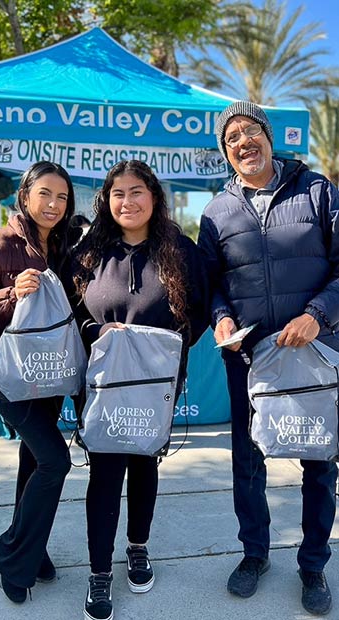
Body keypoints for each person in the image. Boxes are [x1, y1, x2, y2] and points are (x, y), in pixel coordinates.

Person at [198, 100, 339, 616]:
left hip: (316, 350)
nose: (242, 141)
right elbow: (209, 283)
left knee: (319, 460)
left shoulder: (317, 190)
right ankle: (254, 554)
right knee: (248, 460)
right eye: (231, 137)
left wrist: (319, 315)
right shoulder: (216, 212)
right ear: (226, 151)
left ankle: (313, 564)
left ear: (268, 135)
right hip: (250, 359)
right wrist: (220, 319)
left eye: (250, 130)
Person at [70, 159, 208, 620]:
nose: (126, 202)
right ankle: (98, 573)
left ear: (153, 196)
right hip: (104, 385)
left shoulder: (181, 251)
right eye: (117, 194)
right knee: (104, 473)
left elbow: (201, 309)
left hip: (156, 386)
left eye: (135, 192)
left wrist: (169, 346)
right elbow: (72, 311)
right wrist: (94, 333)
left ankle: (137, 546)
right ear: (107, 201)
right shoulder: (89, 252)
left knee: (145, 464)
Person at [0, 161, 76, 604]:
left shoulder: (67, 244)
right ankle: (11, 551)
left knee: (34, 462)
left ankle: (32, 550)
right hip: (9, 374)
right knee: (56, 460)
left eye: (62, 197)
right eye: (45, 194)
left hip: (50, 372)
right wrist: (11, 294)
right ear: (25, 194)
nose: (54, 204)